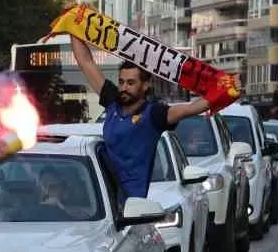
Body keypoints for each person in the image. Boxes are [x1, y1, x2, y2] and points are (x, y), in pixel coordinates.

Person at [69, 36, 211, 198]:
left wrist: (226, 90)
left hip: (131, 206)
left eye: (130, 83)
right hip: (104, 199)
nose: (123, 88)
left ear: (145, 85)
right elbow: (85, 62)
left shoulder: (154, 114)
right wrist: (73, 27)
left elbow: (192, 108)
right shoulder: (112, 103)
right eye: (121, 82)